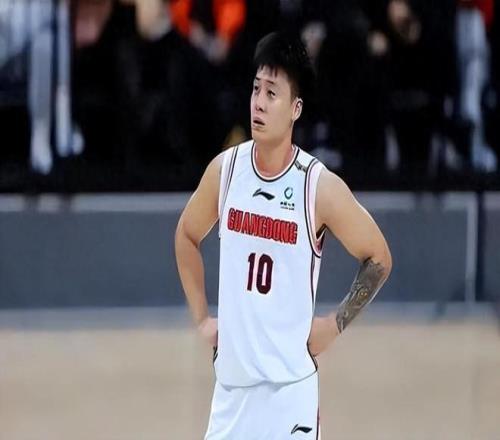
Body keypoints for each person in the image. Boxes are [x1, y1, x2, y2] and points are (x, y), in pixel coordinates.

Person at [175, 31, 392, 439]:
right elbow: (186, 235)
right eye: (256, 89)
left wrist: (334, 324)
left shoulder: (317, 186)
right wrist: (202, 318)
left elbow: (379, 257)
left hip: (290, 395)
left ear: (295, 109)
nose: (258, 102)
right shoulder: (226, 171)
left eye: (271, 93)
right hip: (232, 393)